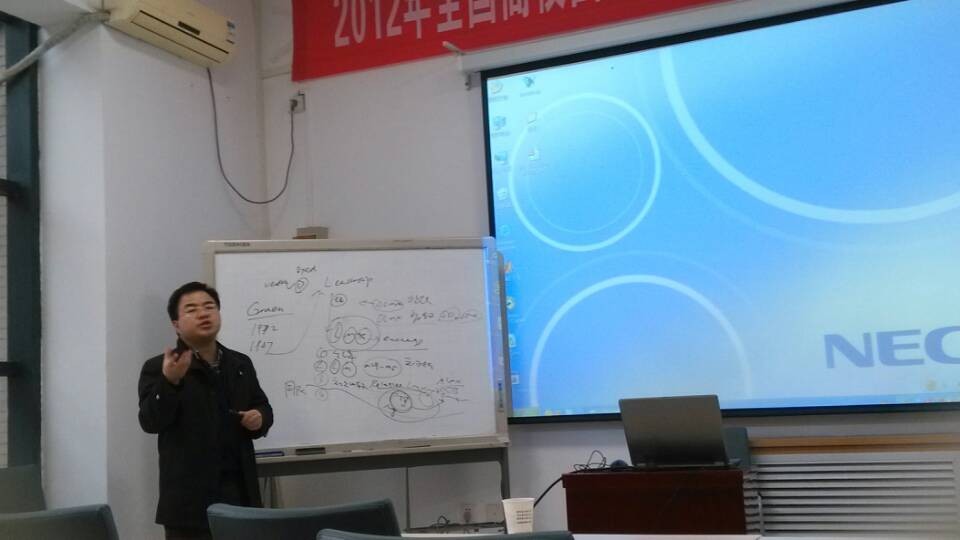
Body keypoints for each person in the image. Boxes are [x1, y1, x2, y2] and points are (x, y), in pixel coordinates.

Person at [138, 281, 274, 540]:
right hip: (188, 504)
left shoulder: (240, 363)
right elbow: (150, 421)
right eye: (191, 309)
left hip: (240, 494)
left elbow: (263, 405)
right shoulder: (159, 367)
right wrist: (170, 382)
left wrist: (261, 418)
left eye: (209, 306)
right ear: (176, 325)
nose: (203, 313)